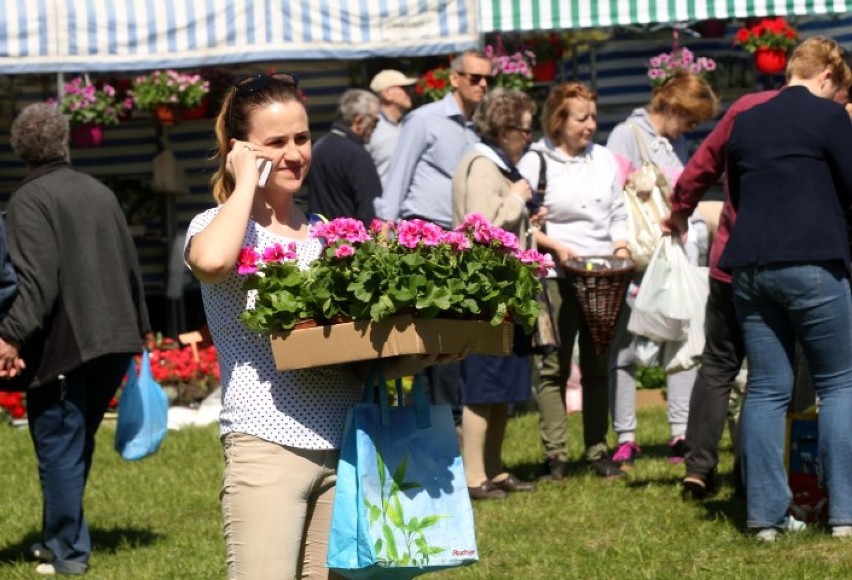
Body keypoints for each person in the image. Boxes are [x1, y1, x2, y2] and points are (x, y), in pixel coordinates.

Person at [185, 72, 456, 578]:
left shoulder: (329, 234)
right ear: (239, 148)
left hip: (348, 444)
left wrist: (427, 352)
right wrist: (245, 180)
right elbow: (214, 262)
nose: (294, 154)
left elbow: (355, 356)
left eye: (302, 138)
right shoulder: (217, 226)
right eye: (275, 142)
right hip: (267, 445)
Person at [0, 102, 150, 576]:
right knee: (74, 444)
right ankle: (59, 538)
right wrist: (141, 331)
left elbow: (36, 281)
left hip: (67, 343)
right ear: (64, 141)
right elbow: (132, 266)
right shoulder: (98, 190)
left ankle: (67, 552)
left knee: (59, 447)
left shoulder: (28, 200)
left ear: (19, 149)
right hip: (114, 338)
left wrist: (9, 335)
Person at [718, 36, 852, 541]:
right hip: (813, 260)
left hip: (750, 268)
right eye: (841, 90)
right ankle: (844, 515)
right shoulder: (830, 117)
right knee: (839, 383)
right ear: (826, 77)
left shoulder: (746, 121)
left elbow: (734, 190)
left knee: (767, 389)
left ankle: (764, 521)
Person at [517, 82, 630, 480]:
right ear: (559, 121)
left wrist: (619, 247)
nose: (591, 125)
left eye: (593, 117)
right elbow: (522, 222)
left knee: (599, 363)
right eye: (582, 118)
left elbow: (618, 213)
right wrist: (554, 246)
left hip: (600, 278)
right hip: (555, 277)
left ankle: (598, 450)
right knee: (553, 366)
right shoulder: (536, 162)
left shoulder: (604, 160)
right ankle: (556, 456)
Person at [605, 72, 718, 466]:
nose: (692, 127)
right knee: (626, 345)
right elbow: (613, 196)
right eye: (690, 118)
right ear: (672, 108)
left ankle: (680, 430)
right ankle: (625, 434)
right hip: (639, 260)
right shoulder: (625, 135)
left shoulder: (678, 143)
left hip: (674, 259)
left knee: (681, 340)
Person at [373, 50, 492, 425]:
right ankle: (435, 419)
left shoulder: (477, 128)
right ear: (454, 79)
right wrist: (386, 228)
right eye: (475, 77)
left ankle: (450, 418)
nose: (483, 85)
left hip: (462, 238)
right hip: (424, 234)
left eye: (487, 79)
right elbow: (399, 174)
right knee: (432, 333)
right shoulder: (424, 120)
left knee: (456, 333)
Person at [451, 88, 541, 499]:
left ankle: (495, 467)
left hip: (507, 292)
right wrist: (517, 201)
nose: (529, 137)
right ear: (505, 130)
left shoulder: (496, 163)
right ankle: (473, 476)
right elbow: (479, 227)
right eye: (525, 130)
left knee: (503, 385)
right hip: (487, 295)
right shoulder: (483, 165)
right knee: (484, 386)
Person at [307, 88, 382, 223]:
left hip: (320, 235)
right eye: (375, 121)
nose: (376, 127)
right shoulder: (357, 154)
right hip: (349, 240)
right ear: (359, 121)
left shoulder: (318, 146)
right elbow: (371, 210)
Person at [366, 69, 417, 185]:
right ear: (387, 93)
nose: (410, 92)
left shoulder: (412, 123)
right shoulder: (372, 129)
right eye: (403, 88)